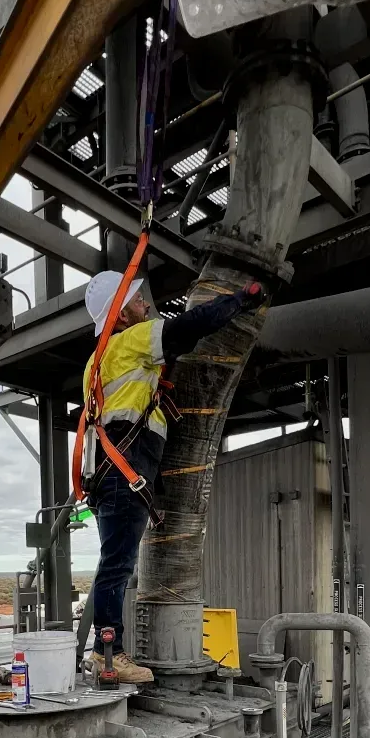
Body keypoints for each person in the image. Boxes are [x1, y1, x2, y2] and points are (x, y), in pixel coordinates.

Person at [81, 269, 263, 683]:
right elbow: (188, 328)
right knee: (117, 565)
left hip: (110, 473)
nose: (146, 304)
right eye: (137, 300)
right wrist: (239, 299)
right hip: (122, 472)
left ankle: (105, 650)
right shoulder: (130, 342)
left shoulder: (99, 359)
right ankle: (109, 652)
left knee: (115, 563)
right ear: (121, 315)